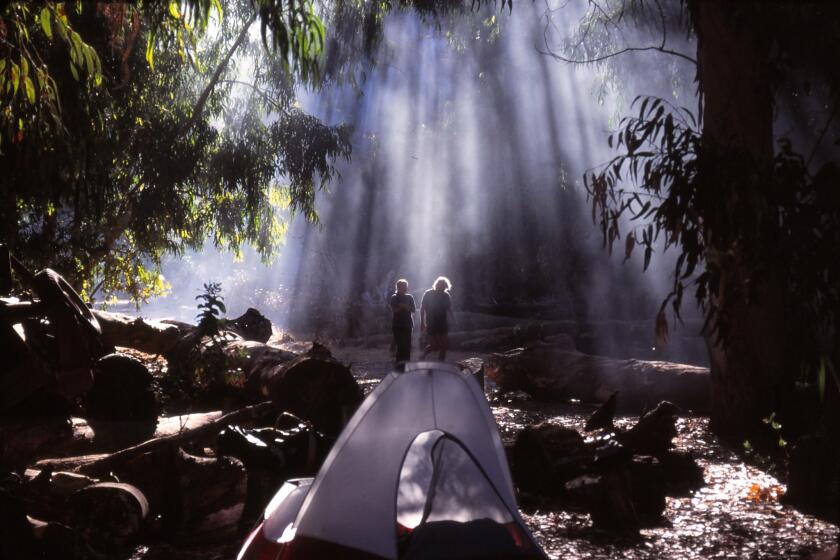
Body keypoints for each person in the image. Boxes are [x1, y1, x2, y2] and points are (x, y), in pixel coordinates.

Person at [420, 276, 456, 361]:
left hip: (442, 323)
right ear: (437, 285)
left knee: (444, 345)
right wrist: (422, 322)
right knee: (434, 345)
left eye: (444, 287)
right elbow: (422, 308)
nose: (443, 288)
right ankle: (423, 355)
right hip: (431, 322)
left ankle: (441, 363)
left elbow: (449, 309)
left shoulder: (446, 295)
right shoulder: (428, 294)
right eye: (442, 286)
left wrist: (454, 320)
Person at [390, 279, 416, 363]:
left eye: (406, 286)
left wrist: (406, 307)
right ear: (398, 287)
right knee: (400, 345)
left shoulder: (409, 297)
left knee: (407, 346)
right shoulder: (394, 297)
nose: (405, 288)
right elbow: (394, 311)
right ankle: (399, 364)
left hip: (408, 324)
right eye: (403, 287)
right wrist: (400, 307)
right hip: (397, 325)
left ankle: (406, 363)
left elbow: (413, 310)